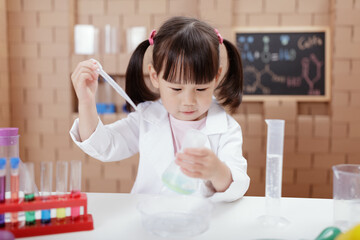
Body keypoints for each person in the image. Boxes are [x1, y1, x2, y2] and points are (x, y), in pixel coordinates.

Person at [70, 16, 250, 202]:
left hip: (198, 223)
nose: (188, 101)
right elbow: (103, 146)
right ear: (155, 77)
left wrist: (217, 171)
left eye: (200, 89)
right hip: (148, 221)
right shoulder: (146, 118)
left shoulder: (227, 129)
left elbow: (237, 188)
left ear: (216, 77)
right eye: (176, 89)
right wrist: (85, 102)